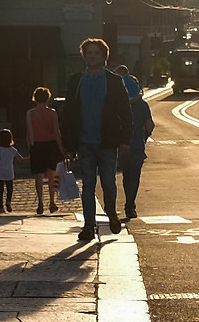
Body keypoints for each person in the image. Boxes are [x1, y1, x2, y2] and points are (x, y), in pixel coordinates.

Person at [60, 37, 142, 239]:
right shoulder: (76, 81)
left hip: (107, 142)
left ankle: (111, 212)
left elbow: (125, 113)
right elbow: (69, 113)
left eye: (96, 53)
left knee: (108, 182)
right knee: (88, 184)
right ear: (84, 56)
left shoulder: (113, 81)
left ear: (104, 56)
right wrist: (68, 144)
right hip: (84, 142)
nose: (92, 56)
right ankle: (89, 225)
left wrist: (125, 140)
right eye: (89, 53)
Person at [120, 76, 157, 222]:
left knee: (126, 176)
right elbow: (149, 126)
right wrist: (145, 136)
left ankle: (127, 202)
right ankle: (130, 205)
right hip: (137, 145)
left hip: (122, 146)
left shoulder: (118, 105)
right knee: (135, 177)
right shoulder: (142, 105)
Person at [25, 87, 63, 215]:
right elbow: (56, 132)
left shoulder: (30, 113)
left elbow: (29, 132)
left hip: (37, 145)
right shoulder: (52, 112)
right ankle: (52, 201)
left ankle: (40, 202)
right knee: (52, 174)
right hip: (51, 145)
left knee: (38, 176)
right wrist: (61, 147)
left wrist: (31, 147)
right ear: (48, 98)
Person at [0, 127, 21, 213]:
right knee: (10, 189)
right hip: (9, 171)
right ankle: (8, 202)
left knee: (0, 190)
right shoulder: (13, 150)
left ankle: (0, 207)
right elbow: (21, 159)